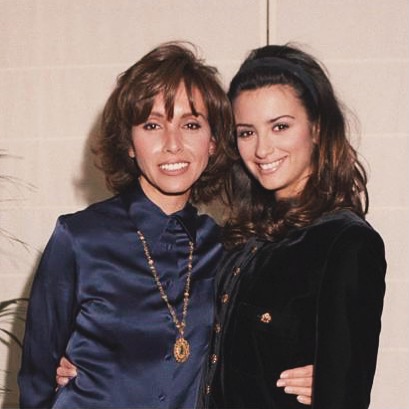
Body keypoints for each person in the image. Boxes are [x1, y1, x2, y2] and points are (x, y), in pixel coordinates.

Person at [19, 42, 312, 409]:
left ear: (213, 142)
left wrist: (319, 373)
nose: (173, 144)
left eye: (191, 124)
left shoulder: (227, 249)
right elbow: (36, 381)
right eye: (152, 125)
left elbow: (260, 346)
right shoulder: (79, 239)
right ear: (129, 143)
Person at [201, 44, 387, 408]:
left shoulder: (346, 243)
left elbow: (345, 395)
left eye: (280, 126)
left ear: (317, 128)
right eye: (246, 132)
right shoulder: (239, 239)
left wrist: (336, 381)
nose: (262, 149)